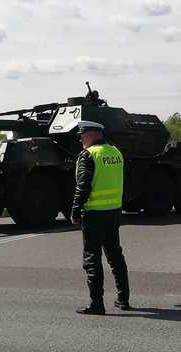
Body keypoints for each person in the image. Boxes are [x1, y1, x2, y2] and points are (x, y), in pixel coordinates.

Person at [71, 120, 130, 315]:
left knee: (91, 258)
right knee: (115, 255)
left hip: (94, 213)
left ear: (92, 134)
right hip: (114, 211)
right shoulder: (115, 152)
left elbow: (83, 186)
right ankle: (123, 299)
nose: (80, 138)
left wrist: (75, 210)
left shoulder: (89, 155)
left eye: (82, 135)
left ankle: (96, 304)